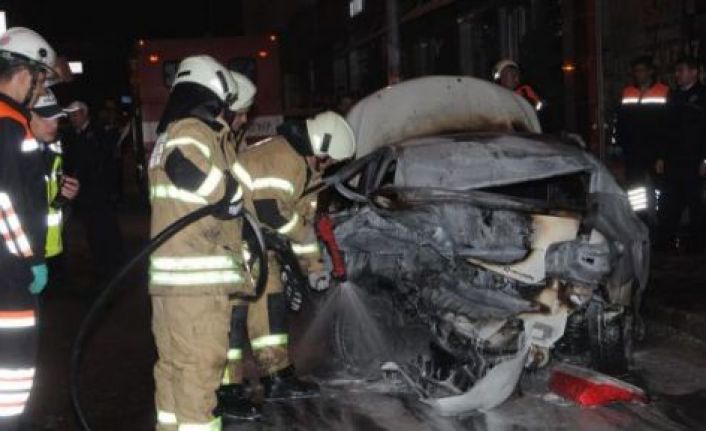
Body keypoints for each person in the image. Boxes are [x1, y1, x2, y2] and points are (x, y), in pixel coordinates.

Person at [221, 100, 356, 420]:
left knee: (271, 309)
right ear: (321, 147)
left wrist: (315, 268)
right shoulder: (282, 157)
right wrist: (304, 239)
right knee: (232, 321)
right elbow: (271, 212)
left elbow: (302, 224)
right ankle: (225, 389)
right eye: (330, 159)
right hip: (231, 243)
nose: (329, 166)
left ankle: (276, 376)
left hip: (258, 247)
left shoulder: (308, 170)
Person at [149, 55, 249, 431]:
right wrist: (228, 194)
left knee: (174, 369)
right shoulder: (192, 130)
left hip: (174, 280)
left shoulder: (170, 131)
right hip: (196, 283)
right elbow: (183, 166)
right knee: (199, 371)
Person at [0, 26, 57, 430]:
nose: (40, 92)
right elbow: (5, 201)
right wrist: (30, 258)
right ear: (25, 75)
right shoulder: (7, 123)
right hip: (8, 277)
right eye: (40, 82)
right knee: (11, 377)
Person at [63, 100, 124, 281]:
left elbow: (105, 162)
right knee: (91, 229)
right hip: (84, 194)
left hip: (100, 192)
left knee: (106, 228)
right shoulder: (72, 135)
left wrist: (111, 189)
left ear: (84, 113)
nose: (72, 118)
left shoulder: (98, 133)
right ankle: (101, 264)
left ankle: (114, 265)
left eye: (75, 114)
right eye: (70, 115)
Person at [30, 89, 80, 289]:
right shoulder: (13, 149)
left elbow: (47, 198)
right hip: (21, 255)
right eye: (46, 118)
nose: (54, 125)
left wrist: (66, 194)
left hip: (45, 250)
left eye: (57, 118)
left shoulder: (53, 147)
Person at [655, 57, 706, 252]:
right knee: (668, 201)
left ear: (694, 72)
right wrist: (661, 156)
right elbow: (664, 128)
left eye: (681, 70)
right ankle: (665, 241)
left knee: (696, 203)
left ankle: (697, 244)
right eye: (676, 71)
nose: (677, 75)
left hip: (695, 160)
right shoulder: (673, 96)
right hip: (673, 160)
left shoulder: (703, 96)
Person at [615, 56, 670, 225]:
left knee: (660, 187)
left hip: (655, 149)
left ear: (650, 72)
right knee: (636, 189)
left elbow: (668, 125)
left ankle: (662, 219)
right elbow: (621, 121)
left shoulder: (664, 91)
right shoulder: (628, 92)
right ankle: (640, 220)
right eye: (635, 71)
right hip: (633, 149)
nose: (638, 74)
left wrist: (663, 154)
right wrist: (619, 144)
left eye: (641, 70)